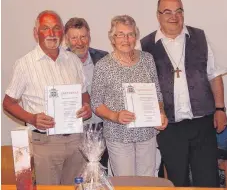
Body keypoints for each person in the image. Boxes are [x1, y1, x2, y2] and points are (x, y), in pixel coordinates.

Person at [141, 0, 227, 187]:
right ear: (158, 15)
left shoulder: (200, 37)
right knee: (177, 182)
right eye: (167, 12)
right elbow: (144, 87)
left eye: (178, 11)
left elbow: (215, 75)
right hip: (169, 127)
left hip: (203, 123)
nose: (174, 16)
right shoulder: (146, 46)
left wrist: (221, 109)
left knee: (208, 180)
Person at [3, 10, 92, 185]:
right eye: (45, 28)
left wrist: (87, 105)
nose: (51, 34)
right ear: (36, 33)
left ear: (62, 33)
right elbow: (8, 103)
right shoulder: (25, 64)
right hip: (45, 143)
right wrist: (32, 118)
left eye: (56, 28)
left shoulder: (73, 60)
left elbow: (83, 92)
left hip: (76, 142)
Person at [91, 15, 168, 176]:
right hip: (119, 135)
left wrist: (160, 113)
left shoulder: (147, 59)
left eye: (130, 34)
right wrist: (115, 115)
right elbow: (96, 103)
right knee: (126, 183)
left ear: (136, 36)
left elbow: (157, 94)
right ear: (112, 38)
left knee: (148, 182)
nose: (126, 39)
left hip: (147, 132)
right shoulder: (103, 65)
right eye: (120, 34)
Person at [64, 17, 109, 170]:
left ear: (89, 36)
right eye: (74, 38)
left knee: (101, 172)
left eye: (83, 36)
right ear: (66, 40)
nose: (79, 42)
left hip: (102, 126)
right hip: (74, 129)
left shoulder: (104, 57)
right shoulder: (60, 62)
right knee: (77, 173)